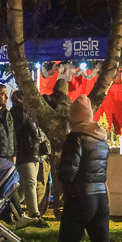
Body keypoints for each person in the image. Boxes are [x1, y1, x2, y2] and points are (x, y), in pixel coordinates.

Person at [33, 95, 119, 242]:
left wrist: (66, 191)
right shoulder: (102, 139)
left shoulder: (76, 139)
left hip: (81, 198)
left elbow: (68, 172)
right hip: (100, 198)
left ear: (73, 118)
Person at [10, 90, 49, 223]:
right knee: (30, 183)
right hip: (25, 152)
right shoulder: (17, 113)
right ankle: (34, 214)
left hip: (34, 151)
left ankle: (8, 208)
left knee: (24, 186)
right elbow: (21, 134)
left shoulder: (31, 113)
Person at [43, 79, 73, 217]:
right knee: (61, 179)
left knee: (44, 180)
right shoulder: (69, 105)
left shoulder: (45, 102)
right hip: (63, 146)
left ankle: (43, 207)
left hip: (46, 145)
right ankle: (60, 207)